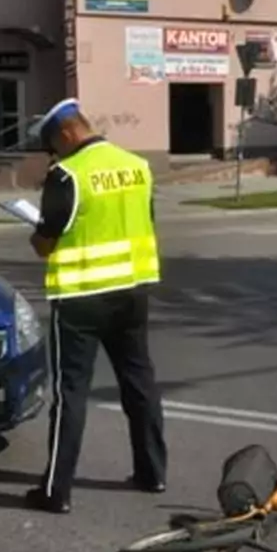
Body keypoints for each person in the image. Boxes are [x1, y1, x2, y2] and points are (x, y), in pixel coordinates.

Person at [22, 98, 168, 515]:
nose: (54, 154)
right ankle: (152, 473)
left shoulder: (67, 174)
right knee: (140, 384)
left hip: (81, 297)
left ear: (67, 133)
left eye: (53, 145)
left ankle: (56, 491)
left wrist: (34, 232)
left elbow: (45, 242)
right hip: (133, 291)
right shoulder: (137, 166)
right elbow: (146, 222)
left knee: (71, 393)